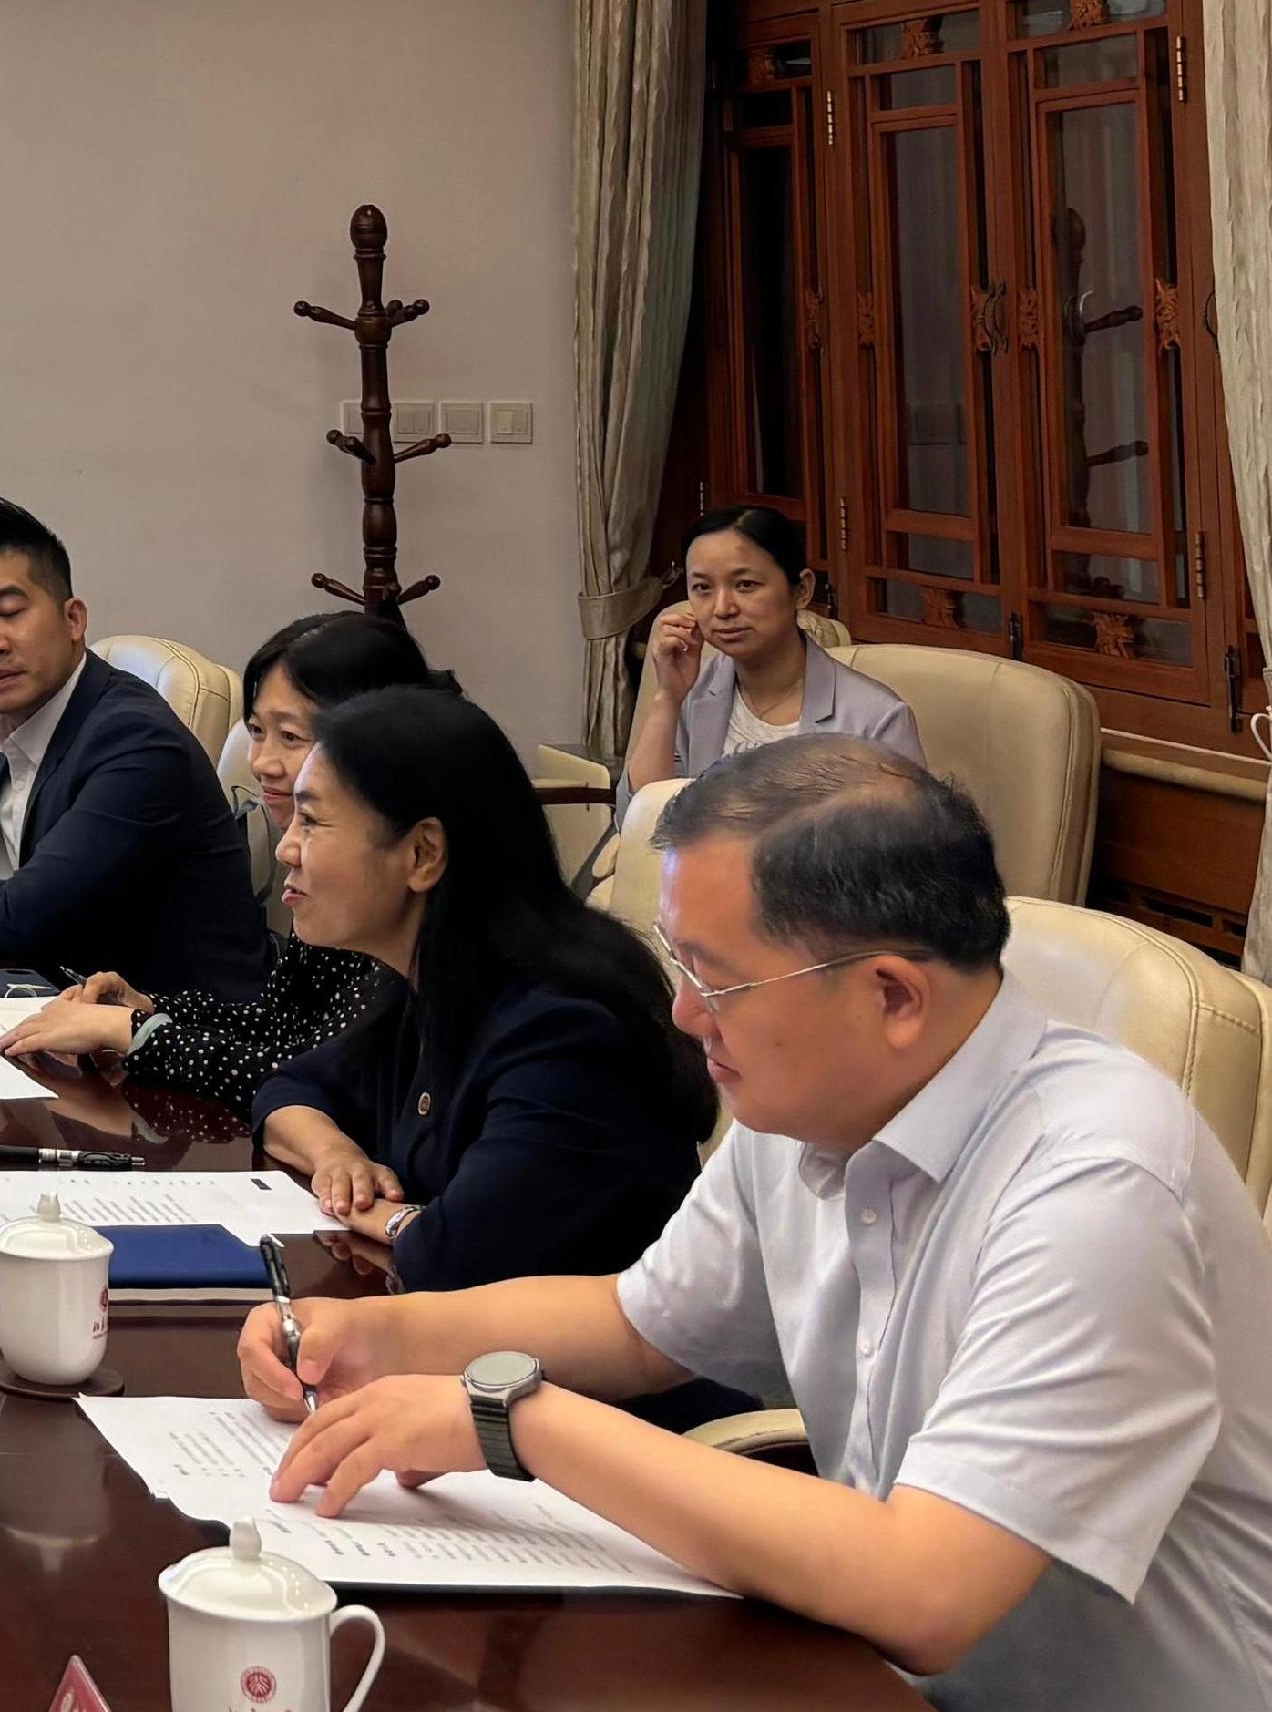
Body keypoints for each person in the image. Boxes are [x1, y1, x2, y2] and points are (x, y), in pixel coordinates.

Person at [243, 740, 1272, 1709]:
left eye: (715, 977)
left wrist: (513, 1419)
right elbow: (638, 1324)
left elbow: (924, 1586)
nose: (685, 1015)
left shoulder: (1099, 1187)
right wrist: (382, 1337)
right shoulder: (814, 1097)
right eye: (678, 963)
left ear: (894, 995)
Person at [248, 687, 715, 1285]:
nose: (287, 847)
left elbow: (454, 1255)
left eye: (311, 821)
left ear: (422, 853)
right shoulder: (430, 982)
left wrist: (387, 1220)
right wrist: (338, 1156)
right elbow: (287, 1089)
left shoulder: (569, 1033)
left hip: (566, 1375)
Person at [0, 609, 439, 1107]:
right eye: (255, 731)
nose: (263, 763)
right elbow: (280, 1020)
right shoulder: (329, 867)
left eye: (291, 737)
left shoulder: (395, 887)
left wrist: (139, 1033)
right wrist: (148, 1007)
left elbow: (324, 1079)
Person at [0, 496, 267, 993]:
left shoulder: (137, 740)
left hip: (168, 1038)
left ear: (74, 619)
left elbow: (27, 914)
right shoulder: (10, 726)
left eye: (10, 612)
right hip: (46, 1008)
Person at [622, 503, 922, 793]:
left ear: (802, 590)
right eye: (703, 588)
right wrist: (667, 698)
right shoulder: (695, 693)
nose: (723, 608)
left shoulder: (876, 718)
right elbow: (638, 820)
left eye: (746, 585)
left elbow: (909, 839)